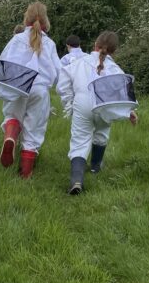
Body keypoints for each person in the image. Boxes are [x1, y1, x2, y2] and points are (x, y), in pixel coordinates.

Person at [57, 31, 138, 195]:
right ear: (114, 51)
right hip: (104, 106)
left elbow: (63, 82)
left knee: (80, 141)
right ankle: (95, 168)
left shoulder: (79, 62)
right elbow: (122, 96)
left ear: (95, 44)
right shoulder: (116, 69)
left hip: (82, 102)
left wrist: (69, 102)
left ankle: (77, 180)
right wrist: (130, 111)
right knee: (101, 135)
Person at [0, 1, 60, 178]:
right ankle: (25, 173)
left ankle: (11, 137)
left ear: (26, 18)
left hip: (17, 86)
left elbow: (3, 63)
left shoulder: (16, 39)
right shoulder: (50, 44)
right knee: (34, 129)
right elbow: (57, 72)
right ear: (46, 21)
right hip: (39, 90)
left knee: (13, 116)